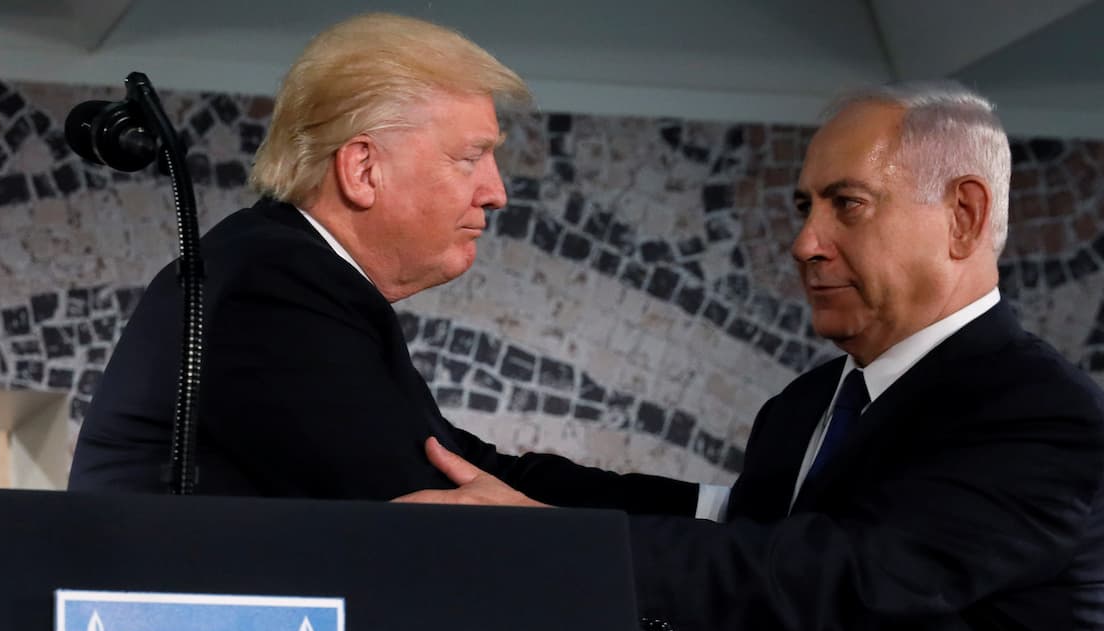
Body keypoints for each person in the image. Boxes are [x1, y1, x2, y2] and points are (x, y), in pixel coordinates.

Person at [399, 82, 1104, 631]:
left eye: (847, 204)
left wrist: (558, 549)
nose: (805, 241)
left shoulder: (1039, 411)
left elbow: (837, 579)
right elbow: (755, 597)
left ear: (964, 215)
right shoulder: (802, 407)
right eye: (805, 206)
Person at [66, 13, 698, 517]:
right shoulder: (271, 286)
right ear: (363, 168)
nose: (497, 191)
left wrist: (715, 509)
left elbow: (472, 471)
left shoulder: (286, 269)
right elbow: (435, 518)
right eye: (470, 157)